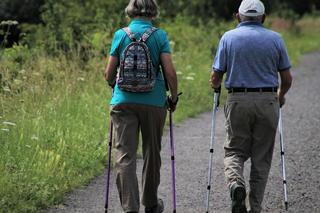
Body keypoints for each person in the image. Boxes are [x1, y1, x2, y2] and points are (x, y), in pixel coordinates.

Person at [210, 0, 292, 212]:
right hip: (267, 100)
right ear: (263, 18)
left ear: (238, 16)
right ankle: (255, 207)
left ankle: (236, 183)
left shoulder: (228, 37)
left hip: (238, 100)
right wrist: (280, 95)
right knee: (261, 158)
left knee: (234, 151)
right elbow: (287, 78)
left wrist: (216, 86)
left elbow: (216, 76)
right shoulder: (276, 39)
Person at [104, 0, 178, 212]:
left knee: (124, 155)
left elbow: (109, 74)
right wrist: (173, 97)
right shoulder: (159, 35)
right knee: (151, 153)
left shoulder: (120, 34)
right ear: (153, 12)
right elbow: (170, 72)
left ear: (130, 11)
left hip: (123, 102)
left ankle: (130, 208)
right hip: (154, 102)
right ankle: (151, 204)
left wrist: (114, 86)